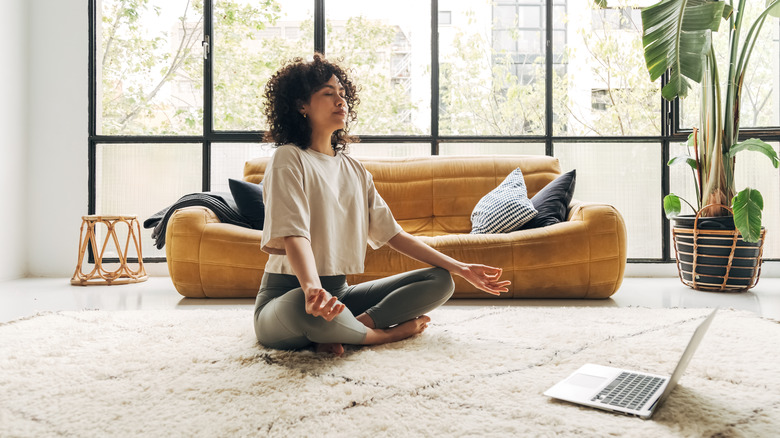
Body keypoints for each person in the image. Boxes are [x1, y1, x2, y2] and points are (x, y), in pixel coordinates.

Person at [254, 53, 511, 355]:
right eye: (328, 93)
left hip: (339, 294)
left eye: (342, 94)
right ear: (301, 105)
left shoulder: (355, 170)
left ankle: (351, 327)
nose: (341, 101)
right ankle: (380, 336)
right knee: (302, 306)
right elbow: (294, 233)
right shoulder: (289, 157)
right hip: (287, 296)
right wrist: (311, 289)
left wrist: (461, 267)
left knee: (440, 280)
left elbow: (393, 235)